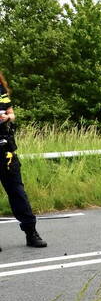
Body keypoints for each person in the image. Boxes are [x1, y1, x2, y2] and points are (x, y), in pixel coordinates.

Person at [0, 74, 46, 250]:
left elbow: (12, 113)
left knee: (18, 192)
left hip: (5, 151)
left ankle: (31, 233)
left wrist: (7, 118)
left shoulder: (1, 90)